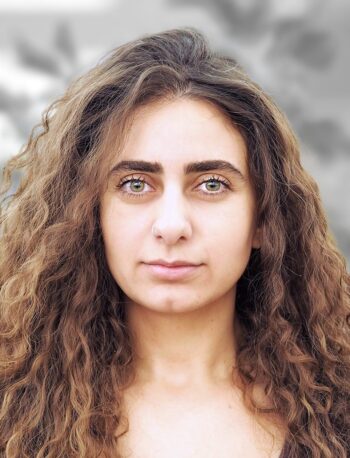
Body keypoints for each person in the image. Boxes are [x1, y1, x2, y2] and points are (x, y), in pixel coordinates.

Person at [0, 27, 349, 458]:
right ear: (90, 214)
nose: (171, 225)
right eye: (134, 183)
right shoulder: (11, 411)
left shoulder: (340, 410)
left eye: (212, 184)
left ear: (263, 219)